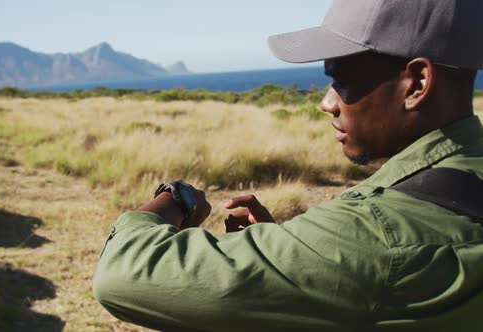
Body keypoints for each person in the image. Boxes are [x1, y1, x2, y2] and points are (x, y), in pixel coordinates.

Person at [93, 0, 483, 331]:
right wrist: (298, 256)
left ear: (416, 83)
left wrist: (176, 199)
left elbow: (122, 273)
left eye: (342, 82)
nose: (327, 103)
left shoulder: (377, 233)